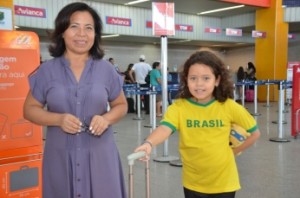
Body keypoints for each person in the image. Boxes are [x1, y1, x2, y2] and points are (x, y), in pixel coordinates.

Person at [23, 2, 128, 198]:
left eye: (89, 28)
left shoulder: (106, 70)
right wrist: (58, 119)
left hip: (100, 158)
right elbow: (29, 109)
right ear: (62, 31)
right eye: (74, 26)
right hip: (60, 159)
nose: (82, 34)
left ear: (95, 34)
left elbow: (121, 105)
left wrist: (106, 119)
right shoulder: (47, 71)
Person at [134, 50, 261, 198]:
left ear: (217, 80)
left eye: (206, 78)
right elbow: (165, 128)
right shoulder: (179, 107)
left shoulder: (229, 106)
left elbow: (255, 133)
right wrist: (149, 143)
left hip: (225, 182)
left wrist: (232, 152)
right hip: (193, 182)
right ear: (186, 80)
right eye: (193, 78)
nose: (199, 84)